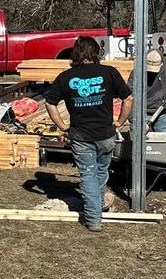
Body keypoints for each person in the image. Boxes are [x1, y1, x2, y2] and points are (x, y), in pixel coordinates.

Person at [44, 36, 134, 231]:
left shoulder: (66, 77)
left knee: (88, 175)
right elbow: (128, 99)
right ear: (96, 52)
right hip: (106, 134)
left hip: (81, 136)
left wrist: (61, 125)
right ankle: (98, 206)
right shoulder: (109, 72)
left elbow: (49, 102)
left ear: (76, 53)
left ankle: (94, 219)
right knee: (101, 172)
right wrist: (119, 122)